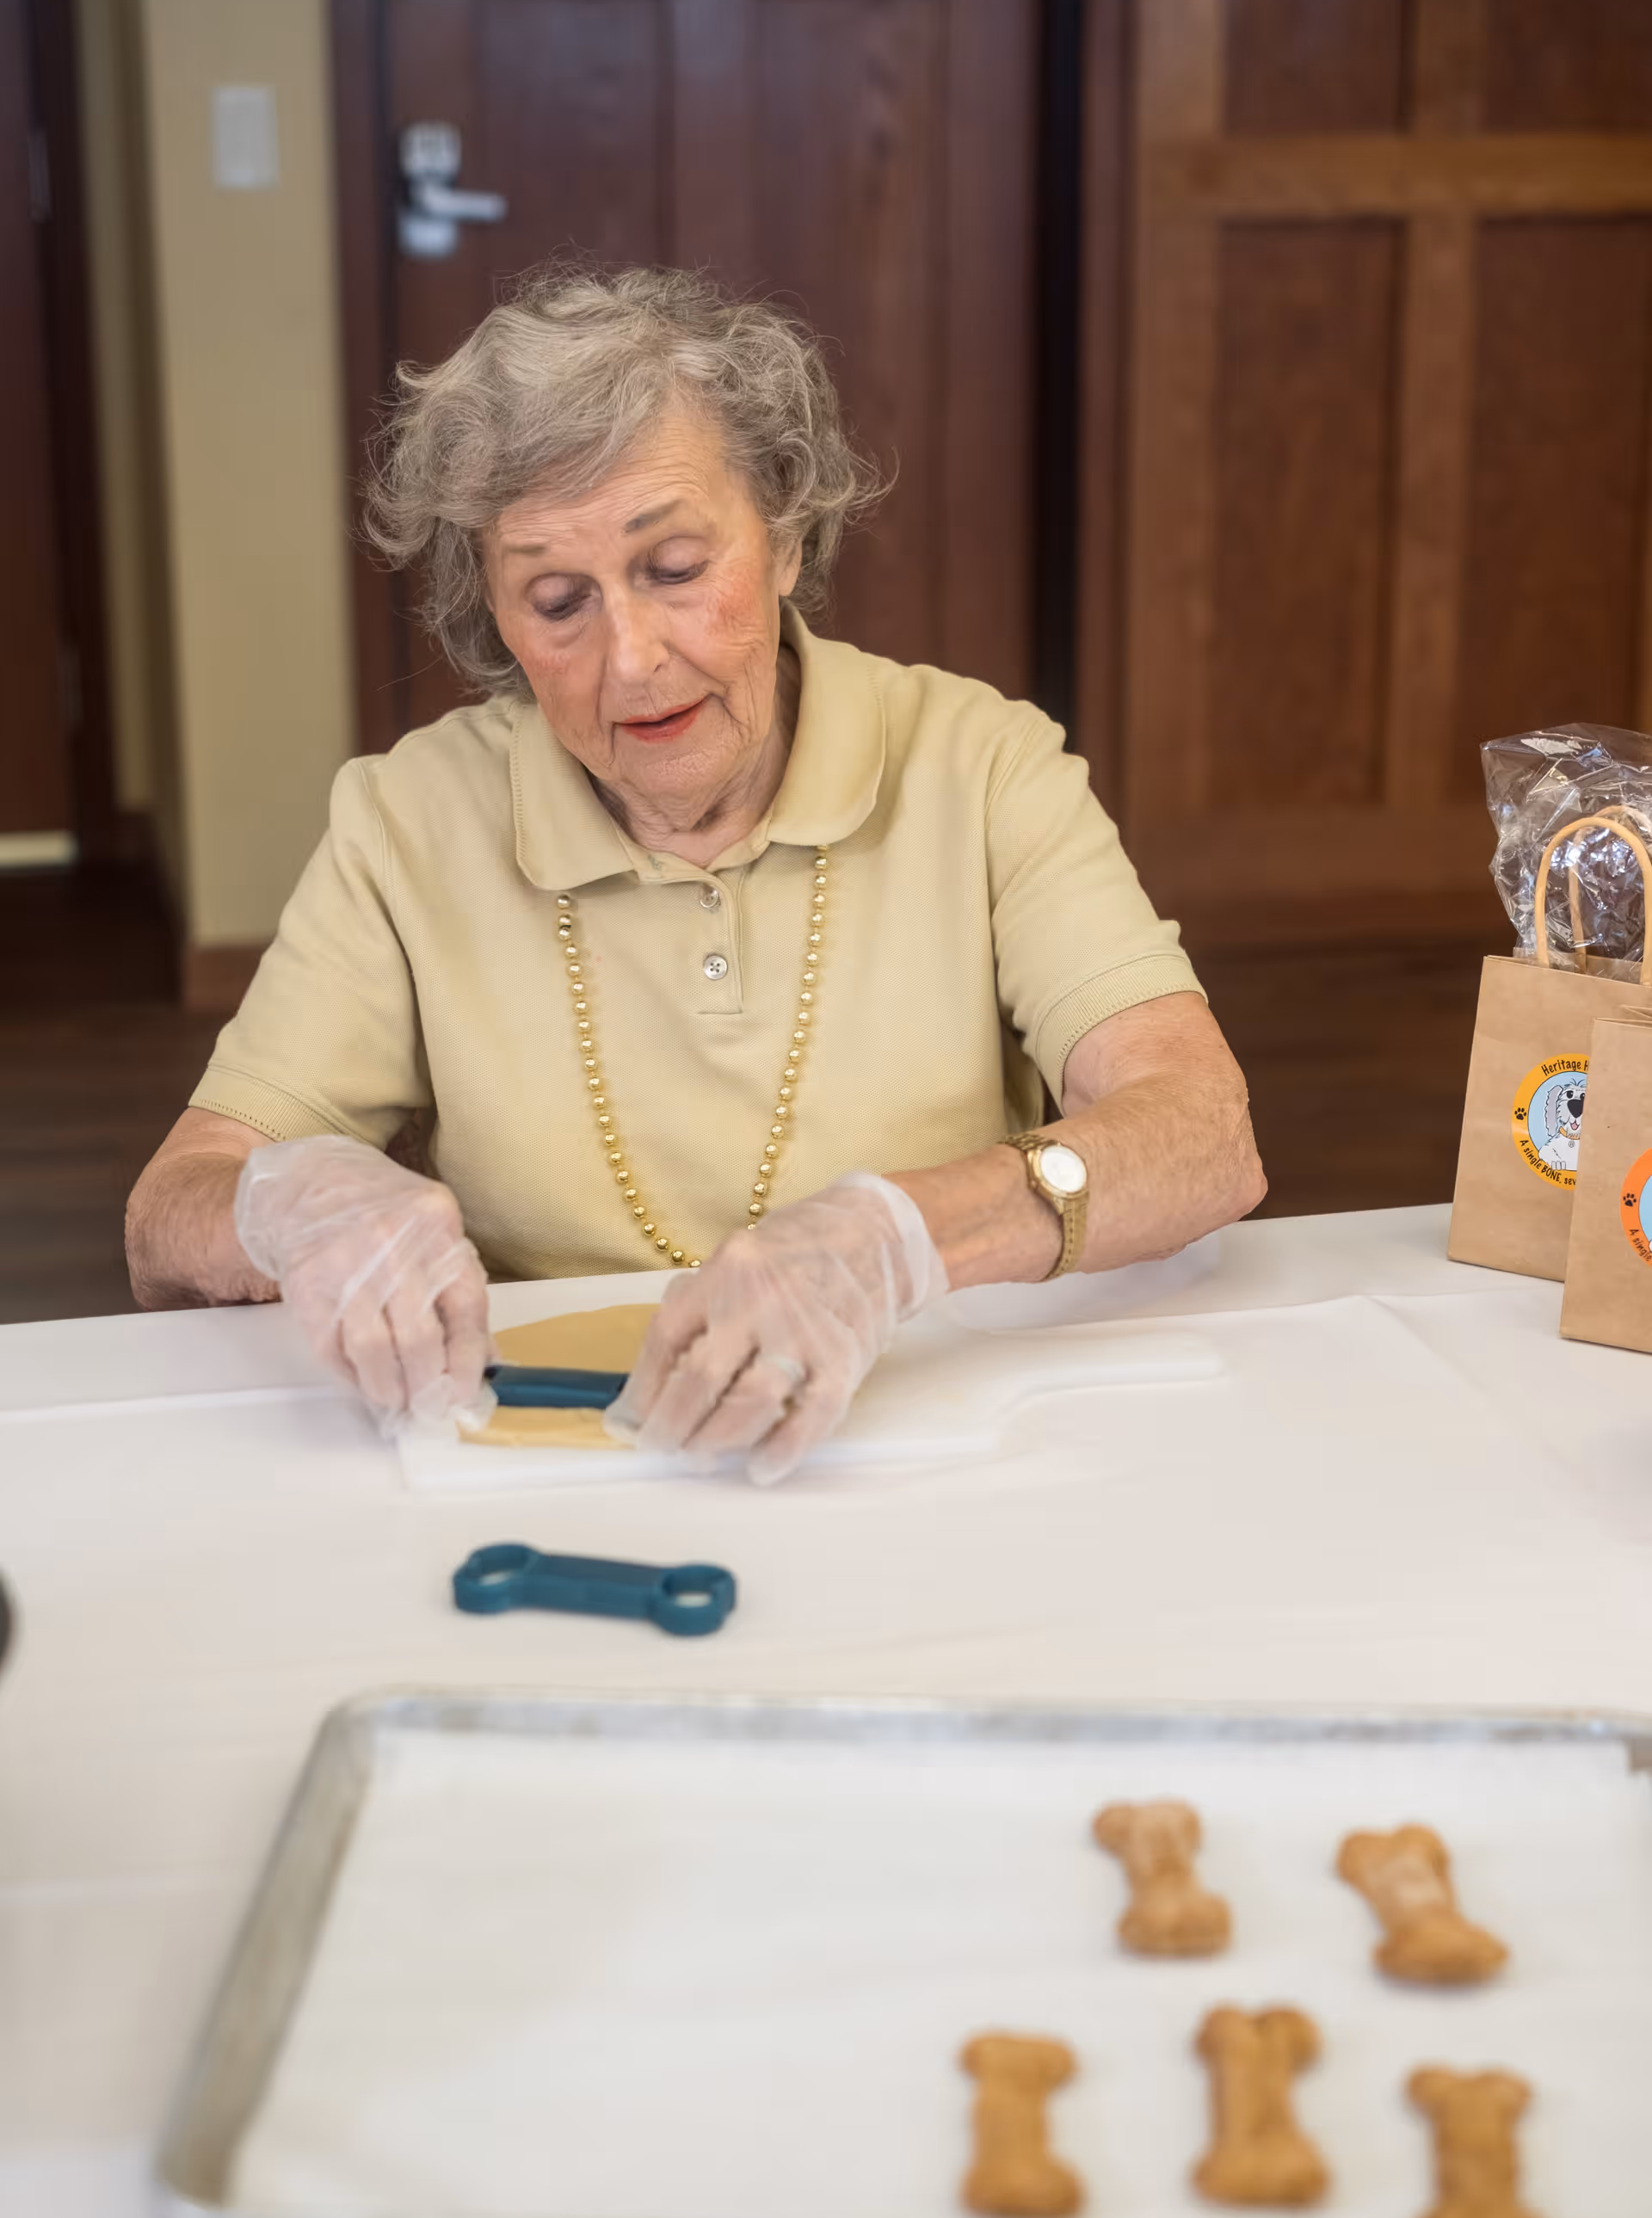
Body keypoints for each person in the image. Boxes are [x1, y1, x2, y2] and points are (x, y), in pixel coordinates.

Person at [126, 264, 1265, 1481]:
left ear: (781, 533)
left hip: (931, 1441)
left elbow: (1204, 1132)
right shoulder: (406, 821)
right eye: (557, 600)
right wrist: (284, 1204)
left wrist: (900, 1237)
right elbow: (169, 1212)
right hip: (555, 1459)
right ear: (494, 622)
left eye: (674, 569)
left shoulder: (983, 766)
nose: (631, 658)